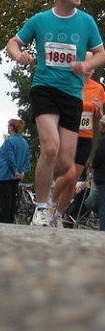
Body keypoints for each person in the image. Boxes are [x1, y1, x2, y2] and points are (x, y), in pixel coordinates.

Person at [7, 0, 105, 226]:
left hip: (72, 94)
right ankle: (41, 208)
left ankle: (46, 192)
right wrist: (18, 55)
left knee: (66, 165)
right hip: (45, 89)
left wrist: (86, 64)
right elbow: (13, 42)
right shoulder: (40, 20)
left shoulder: (86, 22)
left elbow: (101, 53)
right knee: (50, 147)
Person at [53, 58, 105, 224]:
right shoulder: (70, 83)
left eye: (92, 66)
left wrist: (99, 112)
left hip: (85, 137)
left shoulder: (98, 89)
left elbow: (98, 119)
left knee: (73, 179)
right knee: (67, 175)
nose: (88, 69)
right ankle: (49, 204)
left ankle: (58, 215)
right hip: (68, 133)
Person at [0, 119, 30, 224]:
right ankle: (10, 221)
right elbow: (27, 159)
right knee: (12, 200)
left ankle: (3, 221)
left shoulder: (9, 141)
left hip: (4, 175)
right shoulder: (24, 142)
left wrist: (14, 171)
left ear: (11, 127)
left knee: (5, 201)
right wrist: (22, 171)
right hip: (17, 176)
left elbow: (10, 158)